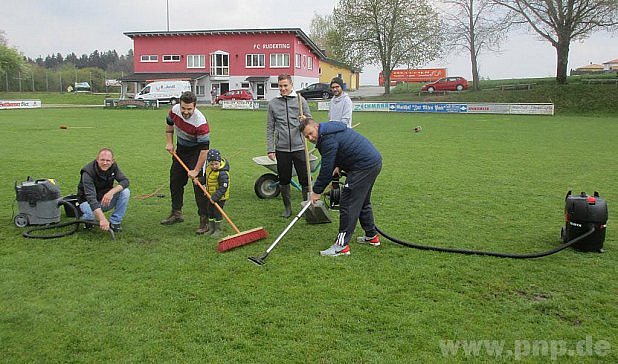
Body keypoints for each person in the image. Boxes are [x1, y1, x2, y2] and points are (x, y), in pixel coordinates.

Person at [300, 118, 382, 257]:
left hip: (363, 166)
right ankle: (371, 236)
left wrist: (316, 191)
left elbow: (326, 169)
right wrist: (338, 165)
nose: (310, 138)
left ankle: (341, 246)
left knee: (348, 203)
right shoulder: (329, 130)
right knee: (362, 202)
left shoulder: (327, 139)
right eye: (306, 136)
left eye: (311, 133)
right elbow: (338, 151)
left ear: (316, 126)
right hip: (372, 162)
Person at [161, 91, 211, 235]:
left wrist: (195, 170)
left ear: (194, 107)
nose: (186, 112)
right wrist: (169, 143)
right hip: (181, 151)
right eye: (184, 108)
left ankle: (204, 220)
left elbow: (204, 151)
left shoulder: (200, 122)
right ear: (180, 104)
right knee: (175, 181)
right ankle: (176, 213)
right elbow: (169, 125)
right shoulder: (174, 110)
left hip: (197, 153)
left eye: (189, 109)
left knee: (198, 185)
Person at [266, 74, 312, 218]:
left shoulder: (300, 101)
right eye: (280, 86)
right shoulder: (273, 103)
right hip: (282, 149)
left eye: (285, 85)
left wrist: (305, 120)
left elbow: (310, 123)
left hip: (299, 147)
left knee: (304, 179)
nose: (283, 88)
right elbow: (270, 128)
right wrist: (270, 148)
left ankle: (306, 207)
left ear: (291, 85)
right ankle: (287, 208)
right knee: (284, 179)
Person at [77, 147, 130, 232]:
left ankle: (115, 222)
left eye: (108, 160)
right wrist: (102, 219)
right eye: (102, 160)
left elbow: (125, 181)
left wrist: (111, 192)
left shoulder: (113, 166)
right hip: (87, 201)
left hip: (104, 200)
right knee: (90, 215)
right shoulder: (87, 172)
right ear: (97, 159)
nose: (105, 163)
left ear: (112, 161)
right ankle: (87, 220)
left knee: (125, 191)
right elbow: (91, 199)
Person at [200, 149, 230, 238]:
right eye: (211, 164)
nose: (214, 166)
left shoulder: (222, 173)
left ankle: (218, 230)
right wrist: (199, 180)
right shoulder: (209, 169)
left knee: (217, 213)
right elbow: (206, 179)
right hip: (210, 196)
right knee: (210, 212)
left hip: (220, 197)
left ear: (220, 162)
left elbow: (223, 188)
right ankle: (211, 228)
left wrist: (215, 197)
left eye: (216, 164)